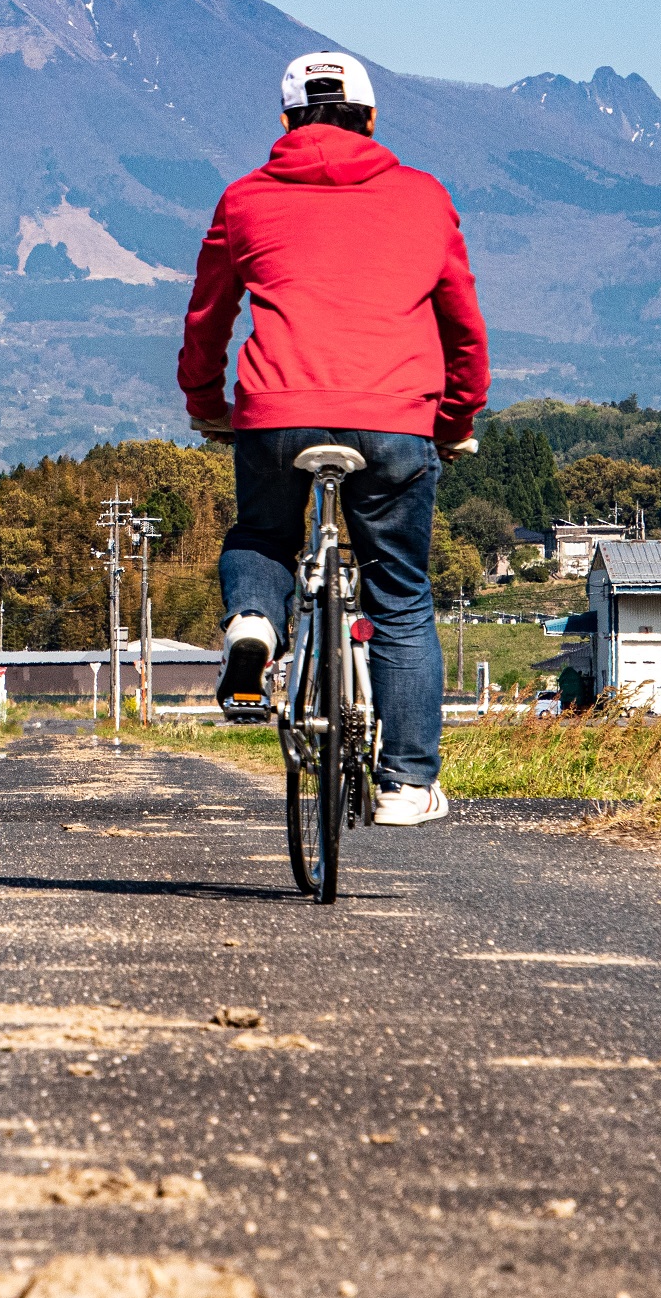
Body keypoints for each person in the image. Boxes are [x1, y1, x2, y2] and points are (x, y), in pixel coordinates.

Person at [176, 49, 489, 826]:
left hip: (276, 413)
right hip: (394, 425)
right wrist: (452, 422)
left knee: (261, 534)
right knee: (401, 595)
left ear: (285, 122)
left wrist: (206, 404)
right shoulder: (424, 198)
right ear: (373, 120)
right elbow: (464, 332)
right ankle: (408, 783)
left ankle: (254, 622)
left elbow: (207, 318)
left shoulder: (245, 199)